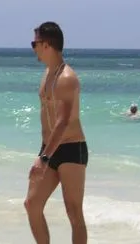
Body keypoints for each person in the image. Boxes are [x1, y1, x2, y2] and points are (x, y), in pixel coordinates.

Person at [25, 22, 88, 244]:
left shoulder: (66, 78)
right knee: (32, 204)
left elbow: (62, 122)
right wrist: (44, 153)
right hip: (49, 148)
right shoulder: (47, 74)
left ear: (47, 44)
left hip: (71, 148)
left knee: (73, 211)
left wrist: (43, 159)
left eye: (35, 43)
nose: (33, 48)